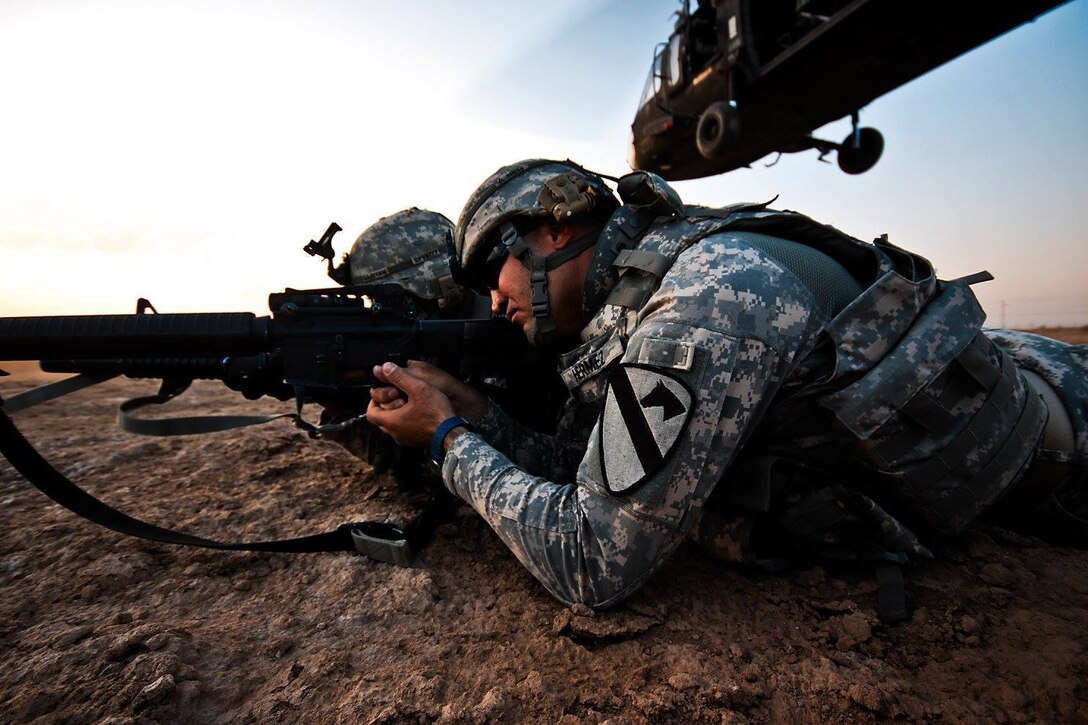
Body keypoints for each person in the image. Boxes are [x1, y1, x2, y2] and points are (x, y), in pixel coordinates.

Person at [365, 159, 1087, 608]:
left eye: (495, 269)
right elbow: (589, 474)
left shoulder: (701, 304)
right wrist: (478, 413)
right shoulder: (639, 294)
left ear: (551, 231)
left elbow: (592, 561)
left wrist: (448, 440)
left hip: (1060, 445)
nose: (494, 299)